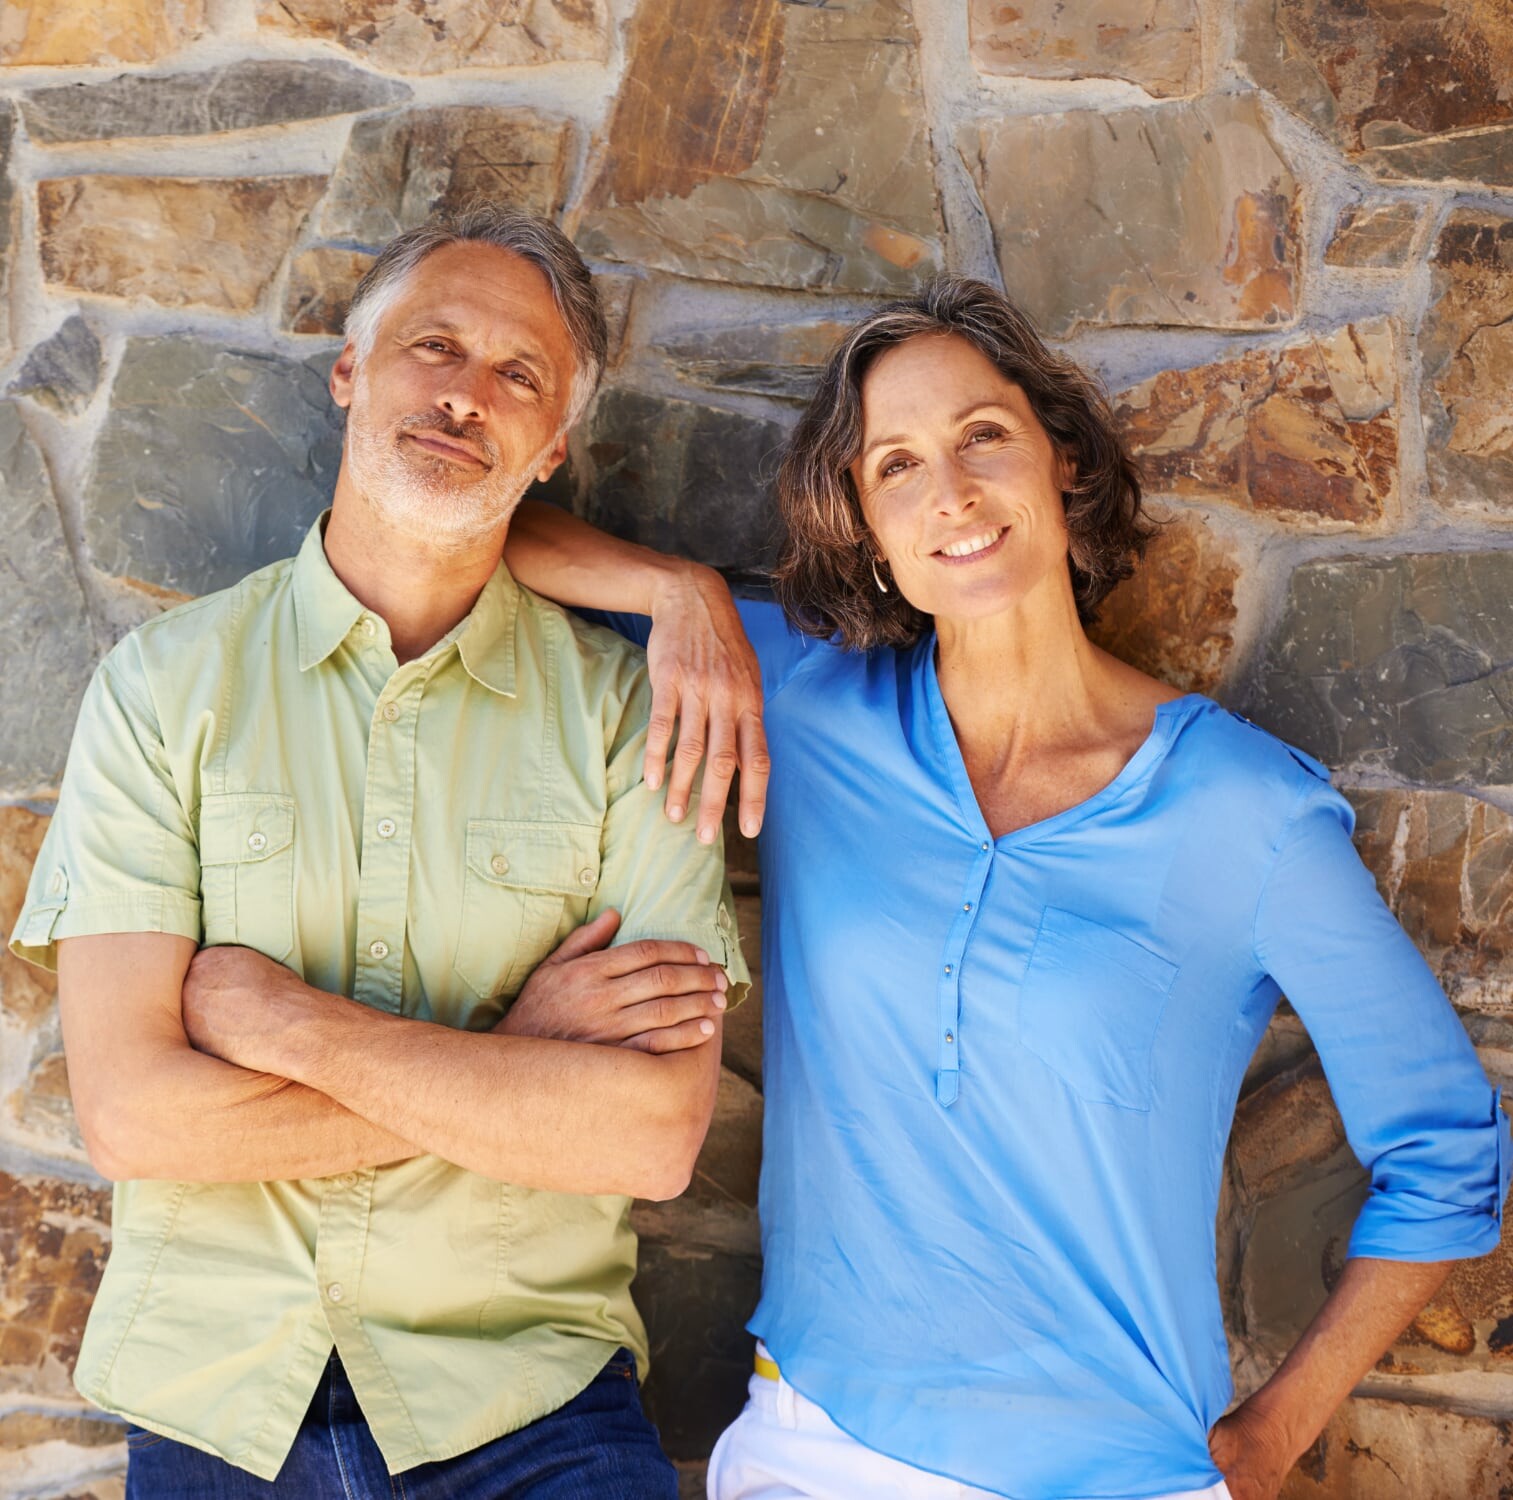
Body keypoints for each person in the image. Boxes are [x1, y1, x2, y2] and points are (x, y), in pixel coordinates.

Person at [502, 276, 1510, 1500]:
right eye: (896, 467)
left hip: (1120, 1473)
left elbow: (1447, 1150)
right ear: (865, 528)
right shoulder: (810, 705)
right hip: (818, 1450)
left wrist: (1272, 1437)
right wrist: (682, 592)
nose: (952, 495)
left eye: (983, 436)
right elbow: (486, 532)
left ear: (1060, 466)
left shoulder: (1246, 813)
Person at [8, 206, 749, 1499]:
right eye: (434, 346)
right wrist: (517, 1068)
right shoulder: (164, 690)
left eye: (518, 374)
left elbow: (639, 1141)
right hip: (219, 1402)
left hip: (528, 1405)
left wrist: (282, 1025)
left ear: (554, 443)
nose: (467, 396)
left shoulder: (626, 716)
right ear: (350, 372)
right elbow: (132, 1115)